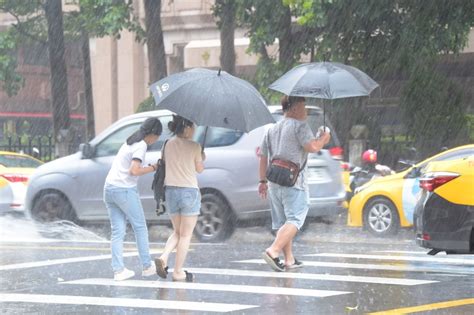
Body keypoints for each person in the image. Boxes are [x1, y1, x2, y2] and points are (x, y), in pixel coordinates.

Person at [258, 95, 330, 272]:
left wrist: (262, 181)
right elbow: (312, 147)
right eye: (303, 107)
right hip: (294, 182)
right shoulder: (300, 127)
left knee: (283, 222)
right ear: (294, 108)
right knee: (295, 219)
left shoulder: (271, 129)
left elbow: (263, 157)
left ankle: (289, 258)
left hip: (274, 182)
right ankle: (273, 251)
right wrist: (324, 139)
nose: (305, 111)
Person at [103, 117, 162, 281]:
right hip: (124, 190)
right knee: (140, 227)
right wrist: (152, 168)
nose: (155, 141)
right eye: (157, 137)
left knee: (118, 231)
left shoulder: (130, 141)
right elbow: (134, 171)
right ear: (152, 134)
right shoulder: (141, 145)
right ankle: (147, 266)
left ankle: (118, 270)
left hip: (109, 188)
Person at [154, 115, 205, 282]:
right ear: (187, 128)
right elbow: (199, 170)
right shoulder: (195, 146)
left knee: (177, 232)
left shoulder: (167, 144)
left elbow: (165, 163)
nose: (195, 130)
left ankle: (164, 256)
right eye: (193, 127)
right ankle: (178, 272)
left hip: (170, 192)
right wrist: (201, 156)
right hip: (189, 191)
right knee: (185, 235)